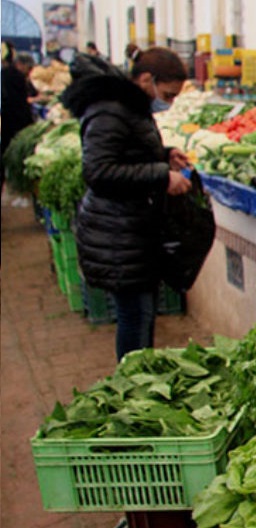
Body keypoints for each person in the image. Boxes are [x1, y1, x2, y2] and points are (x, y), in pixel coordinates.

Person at [60, 46, 193, 361]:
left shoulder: (128, 105)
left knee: (141, 314)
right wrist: (162, 175)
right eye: (168, 94)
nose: (169, 102)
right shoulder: (109, 110)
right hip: (116, 232)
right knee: (135, 317)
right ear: (147, 79)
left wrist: (165, 154)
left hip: (130, 228)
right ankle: (131, 391)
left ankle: (137, 382)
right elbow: (99, 171)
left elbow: (128, 152)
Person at [2, 45, 36, 190]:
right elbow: (18, 103)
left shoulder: (10, 75)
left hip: (10, 122)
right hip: (11, 122)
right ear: (19, 64)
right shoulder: (12, 77)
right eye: (27, 68)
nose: (29, 72)